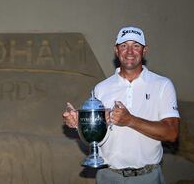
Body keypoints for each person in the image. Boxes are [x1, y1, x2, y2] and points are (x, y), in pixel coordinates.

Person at [62, 26, 180, 184]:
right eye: (124, 46)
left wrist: (130, 120)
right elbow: (96, 137)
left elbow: (172, 133)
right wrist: (80, 123)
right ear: (116, 51)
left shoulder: (162, 85)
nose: (130, 51)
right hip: (108, 176)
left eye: (136, 46)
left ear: (144, 50)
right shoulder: (101, 88)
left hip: (148, 177)